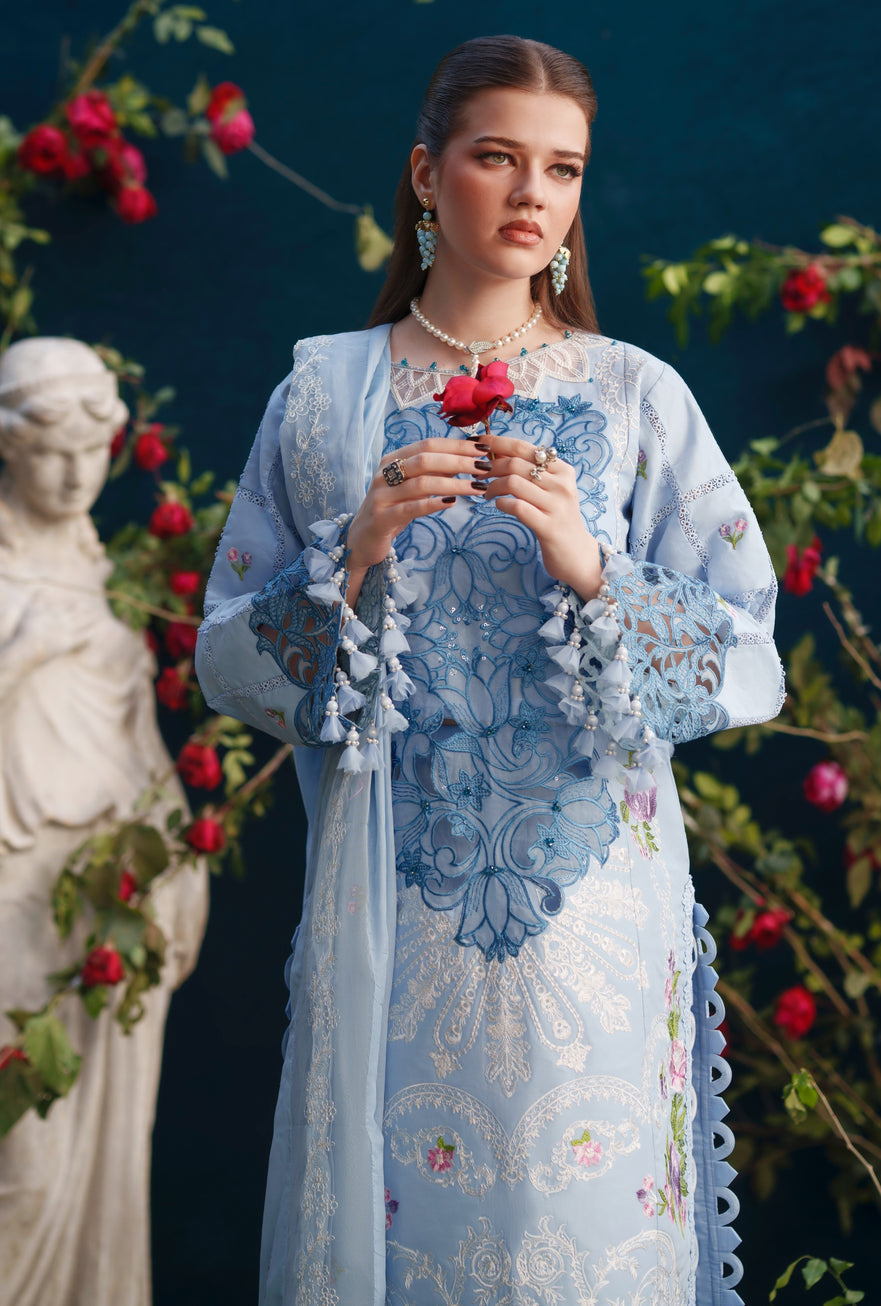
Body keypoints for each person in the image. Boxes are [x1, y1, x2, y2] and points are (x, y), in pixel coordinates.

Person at [196, 35, 783, 1306]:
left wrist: (592, 568)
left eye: (561, 169)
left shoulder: (633, 396)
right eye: (496, 158)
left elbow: (746, 656)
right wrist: (353, 551)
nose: (531, 194)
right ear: (426, 173)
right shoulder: (323, 395)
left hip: (595, 927)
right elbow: (228, 657)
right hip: (398, 919)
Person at [0, 337, 209, 1306]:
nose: (77, 472)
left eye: (95, 450)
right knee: (24, 1166)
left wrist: (178, 852)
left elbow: (137, 742)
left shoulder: (109, 574)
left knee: (110, 1164)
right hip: (15, 883)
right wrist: (25, 651)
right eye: (53, 451)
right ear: (9, 446)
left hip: (110, 889)